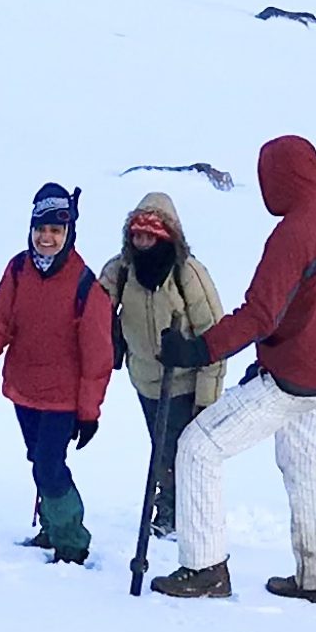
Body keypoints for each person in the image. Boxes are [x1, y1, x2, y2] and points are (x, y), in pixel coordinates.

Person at [151, 135, 316, 606]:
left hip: (291, 377)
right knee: (308, 466)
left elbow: (259, 315)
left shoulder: (295, 234)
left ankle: (204, 567)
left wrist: (197, 351)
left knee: (198, 447)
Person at [0, 185, 113, 564]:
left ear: (68, 233)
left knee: (48, 464)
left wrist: (89, 413)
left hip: (63, 398)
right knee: (38, 459)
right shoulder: (18, 269)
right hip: (24, 390)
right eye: (41, 229)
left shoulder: (86, 286)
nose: (47, 237)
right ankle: (53, 527)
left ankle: (72, 540)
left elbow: (97, 359)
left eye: (56, 231)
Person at [97, 190, 223, 539]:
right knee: (163, 446)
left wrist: (206, 400)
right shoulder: (121, 270)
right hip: (145, 378)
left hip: (183, 380)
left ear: (167, 236)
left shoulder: (188, 274)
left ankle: (174, 512)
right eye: (137, 235)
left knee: (177, 450)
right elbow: (94, 308)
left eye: (151, 235)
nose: (143, 241)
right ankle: (173, 506)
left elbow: (215, 337)